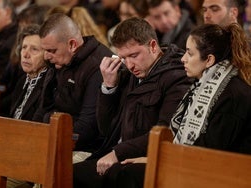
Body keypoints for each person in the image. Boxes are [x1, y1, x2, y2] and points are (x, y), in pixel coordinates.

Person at [106, 22, 251, 188]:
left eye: (190, 53)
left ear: (209, 60)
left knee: (126, 174)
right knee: (123, 171)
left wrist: (154, 160)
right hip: (199, 165)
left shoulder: (232, 95)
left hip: (224, 176)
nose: (183, 58)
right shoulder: (203, 87)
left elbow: (210, 153)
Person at [73, 17, 192, 188]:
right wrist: (108, 87)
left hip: (140, 160)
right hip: (114, 153)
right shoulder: (130, 75)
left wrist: (117, 153)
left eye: (134, 55)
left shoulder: (176, 77)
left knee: (70, 175)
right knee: (65, 173)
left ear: (152, 46)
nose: (129, 64)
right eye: (123, 58)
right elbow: (106, 128)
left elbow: (165, 132)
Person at [39, 13, 113, 159]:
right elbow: (42, 109)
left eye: (51, 51)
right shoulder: (58, 61)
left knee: (46, 179)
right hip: (53, 139)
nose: (46, 57)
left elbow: (88, 127)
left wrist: (50, 135)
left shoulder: (98, 65)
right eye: (44, 50)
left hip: (87, 150)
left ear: (72, 45)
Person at [0, 24, 48, 188]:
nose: (25, 54)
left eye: (34, 49)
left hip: (30, 157)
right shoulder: (21, 81)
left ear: (47, 54)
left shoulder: (49, 85)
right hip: (10, 149)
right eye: (24, 48)